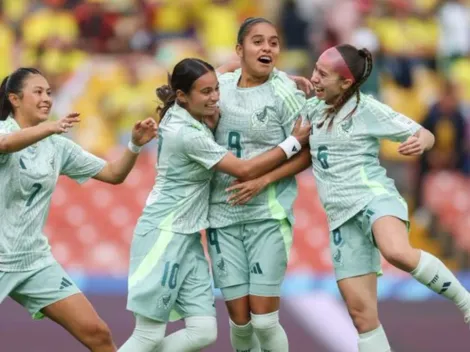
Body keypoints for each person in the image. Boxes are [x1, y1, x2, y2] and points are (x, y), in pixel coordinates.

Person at [226, 44, 470, 352]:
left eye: (323, 74)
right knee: (361, 316)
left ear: (346, 83)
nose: (315, 77)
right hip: (341, 217)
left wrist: (421, 141)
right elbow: (305, 154)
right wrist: (263, 179)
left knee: (396, 251)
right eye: (315, 69)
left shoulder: (366, 109)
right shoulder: (311, 109)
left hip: (372, 198)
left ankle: (466, 301)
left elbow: (424, 133)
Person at [119, 58, 310, 352]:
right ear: (182, 96)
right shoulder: (187, 133)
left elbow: (237, 62)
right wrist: (293, 142)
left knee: (203, 332)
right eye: (206, 92)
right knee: (148, 337)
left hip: (190, 237)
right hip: (163, 233)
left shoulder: (188, 101)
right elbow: (244, 170)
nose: (215, 97)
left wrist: (281, 78)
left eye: (216, 89)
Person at [0, 68, 158, 351]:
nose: (47, 98)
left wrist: (134, 145)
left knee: (97, 333)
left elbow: (113, 174)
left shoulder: (58, 146)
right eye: (38, 92)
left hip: (34, 261)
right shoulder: (5, 132)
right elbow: (5, 145)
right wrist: (49, 128)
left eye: (49, 92)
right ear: (14, 98)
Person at [206, 17, 312, 352]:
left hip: (268, 213)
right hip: (221, 216)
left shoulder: (286, 93)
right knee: (239, 321)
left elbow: (307, 152)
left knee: (264, 320)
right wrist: (225, 68)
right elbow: (195, 79)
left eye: (274, 42)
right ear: (239, 49)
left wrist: (263, 180)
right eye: (257, 41)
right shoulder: (218, 86)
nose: (267, 48)